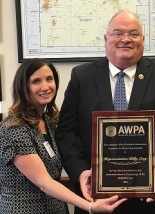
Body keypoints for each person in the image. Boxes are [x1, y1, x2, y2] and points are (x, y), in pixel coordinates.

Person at [56, 9, 155, 214]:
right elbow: (66, 132)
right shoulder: (82, 76)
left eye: (133, 34)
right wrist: (81, 172)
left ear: (142, 39)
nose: (126, 39)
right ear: (106, 38)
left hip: (149, 202)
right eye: (118, 33)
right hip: (96, 199)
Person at [0, 58, 126, 213]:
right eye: (36, 81)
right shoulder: (14, 127)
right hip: (24, 209)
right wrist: (90, 206)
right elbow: (43, 181)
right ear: (23, 87)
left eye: (49, 79)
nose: (45, 87)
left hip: (55, 208)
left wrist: (84, 172)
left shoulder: (50, 121)